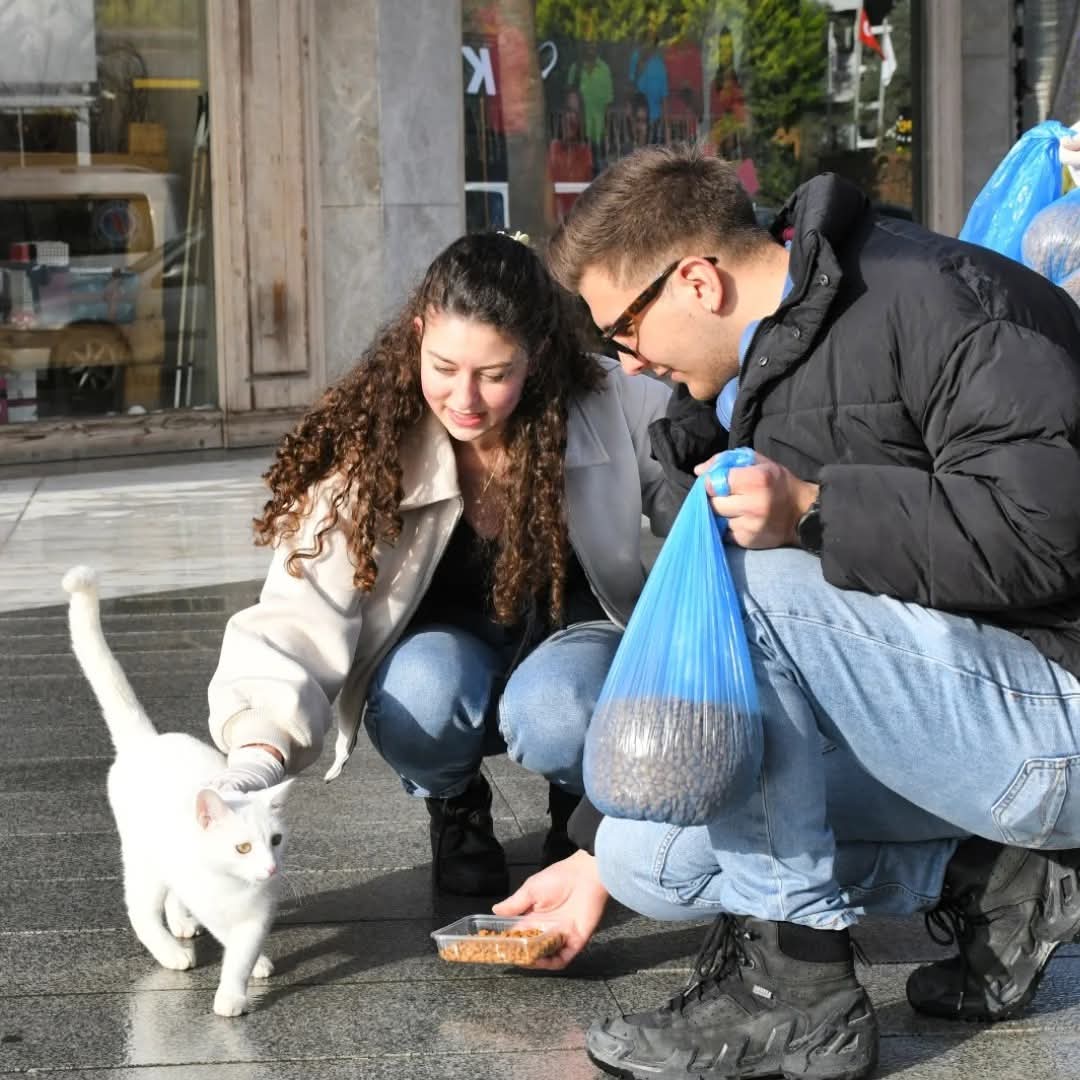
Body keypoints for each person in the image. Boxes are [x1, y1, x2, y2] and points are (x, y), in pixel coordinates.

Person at [495, 144, 1080, 1080]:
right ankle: (990, 878)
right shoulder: (766, 362)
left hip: (1057, 715)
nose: (625, 358)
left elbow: (1045, 533)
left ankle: (795, 988)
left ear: (697, 280)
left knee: (751, 580)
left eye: (624, 330)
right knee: (647, 857)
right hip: (961, 717)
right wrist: (591, 855)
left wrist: (814, 508)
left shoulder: (940, 299)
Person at [203, 232, 678, 899]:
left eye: (495, 374)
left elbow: (700, 505)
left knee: (556, 705)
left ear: (538, 356)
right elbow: (298, 612)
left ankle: (576, 810)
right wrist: (257, 749)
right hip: (445, 653)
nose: (465, 399)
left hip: (575, 642)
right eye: (444, 366)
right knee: (417, 696)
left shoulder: (613, 404)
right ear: (419, 333)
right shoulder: (372, 441)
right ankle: (455, 807)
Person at [547, 89, 594, 222]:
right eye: (568, 111)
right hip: (554, 224)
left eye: (576, 112)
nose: (571, 117)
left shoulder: (586, 152)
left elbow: (588, 196)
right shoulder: (553, 149)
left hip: (578, 223)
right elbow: (550, 193)